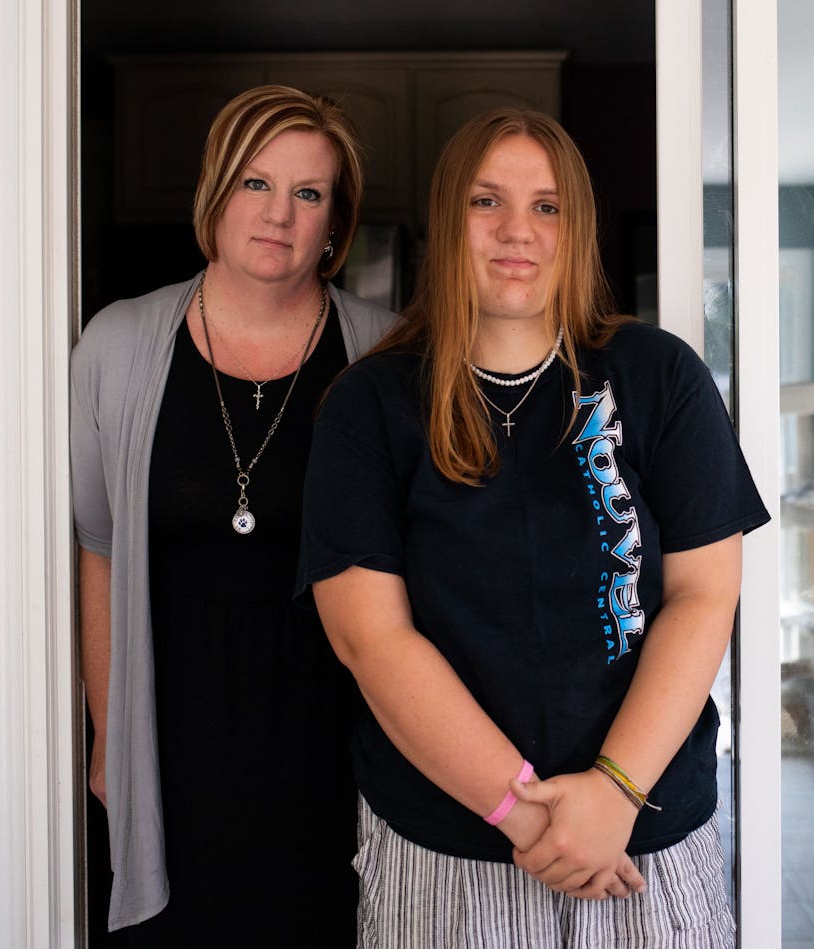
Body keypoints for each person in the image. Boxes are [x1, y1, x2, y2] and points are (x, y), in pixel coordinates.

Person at [298, 107, 770, 948]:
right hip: (446, 850)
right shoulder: (368, 406)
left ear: (576, 226)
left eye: (547, 206)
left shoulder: (662, 377)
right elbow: (371, 640)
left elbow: (704, 595)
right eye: (488, 202)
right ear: (450, 221)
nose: (519, 230)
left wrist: (613, 795)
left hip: (645, 838)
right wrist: (531, 817)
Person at [71, 84, 396, 944]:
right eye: (256, 184)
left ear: (336, 223)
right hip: (173, 739)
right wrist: (109, 735)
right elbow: (97, 547)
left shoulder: (390, 353)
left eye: (308, 193)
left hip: (333, 741)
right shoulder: (115, 345)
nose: (278, 215)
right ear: (215, 195)